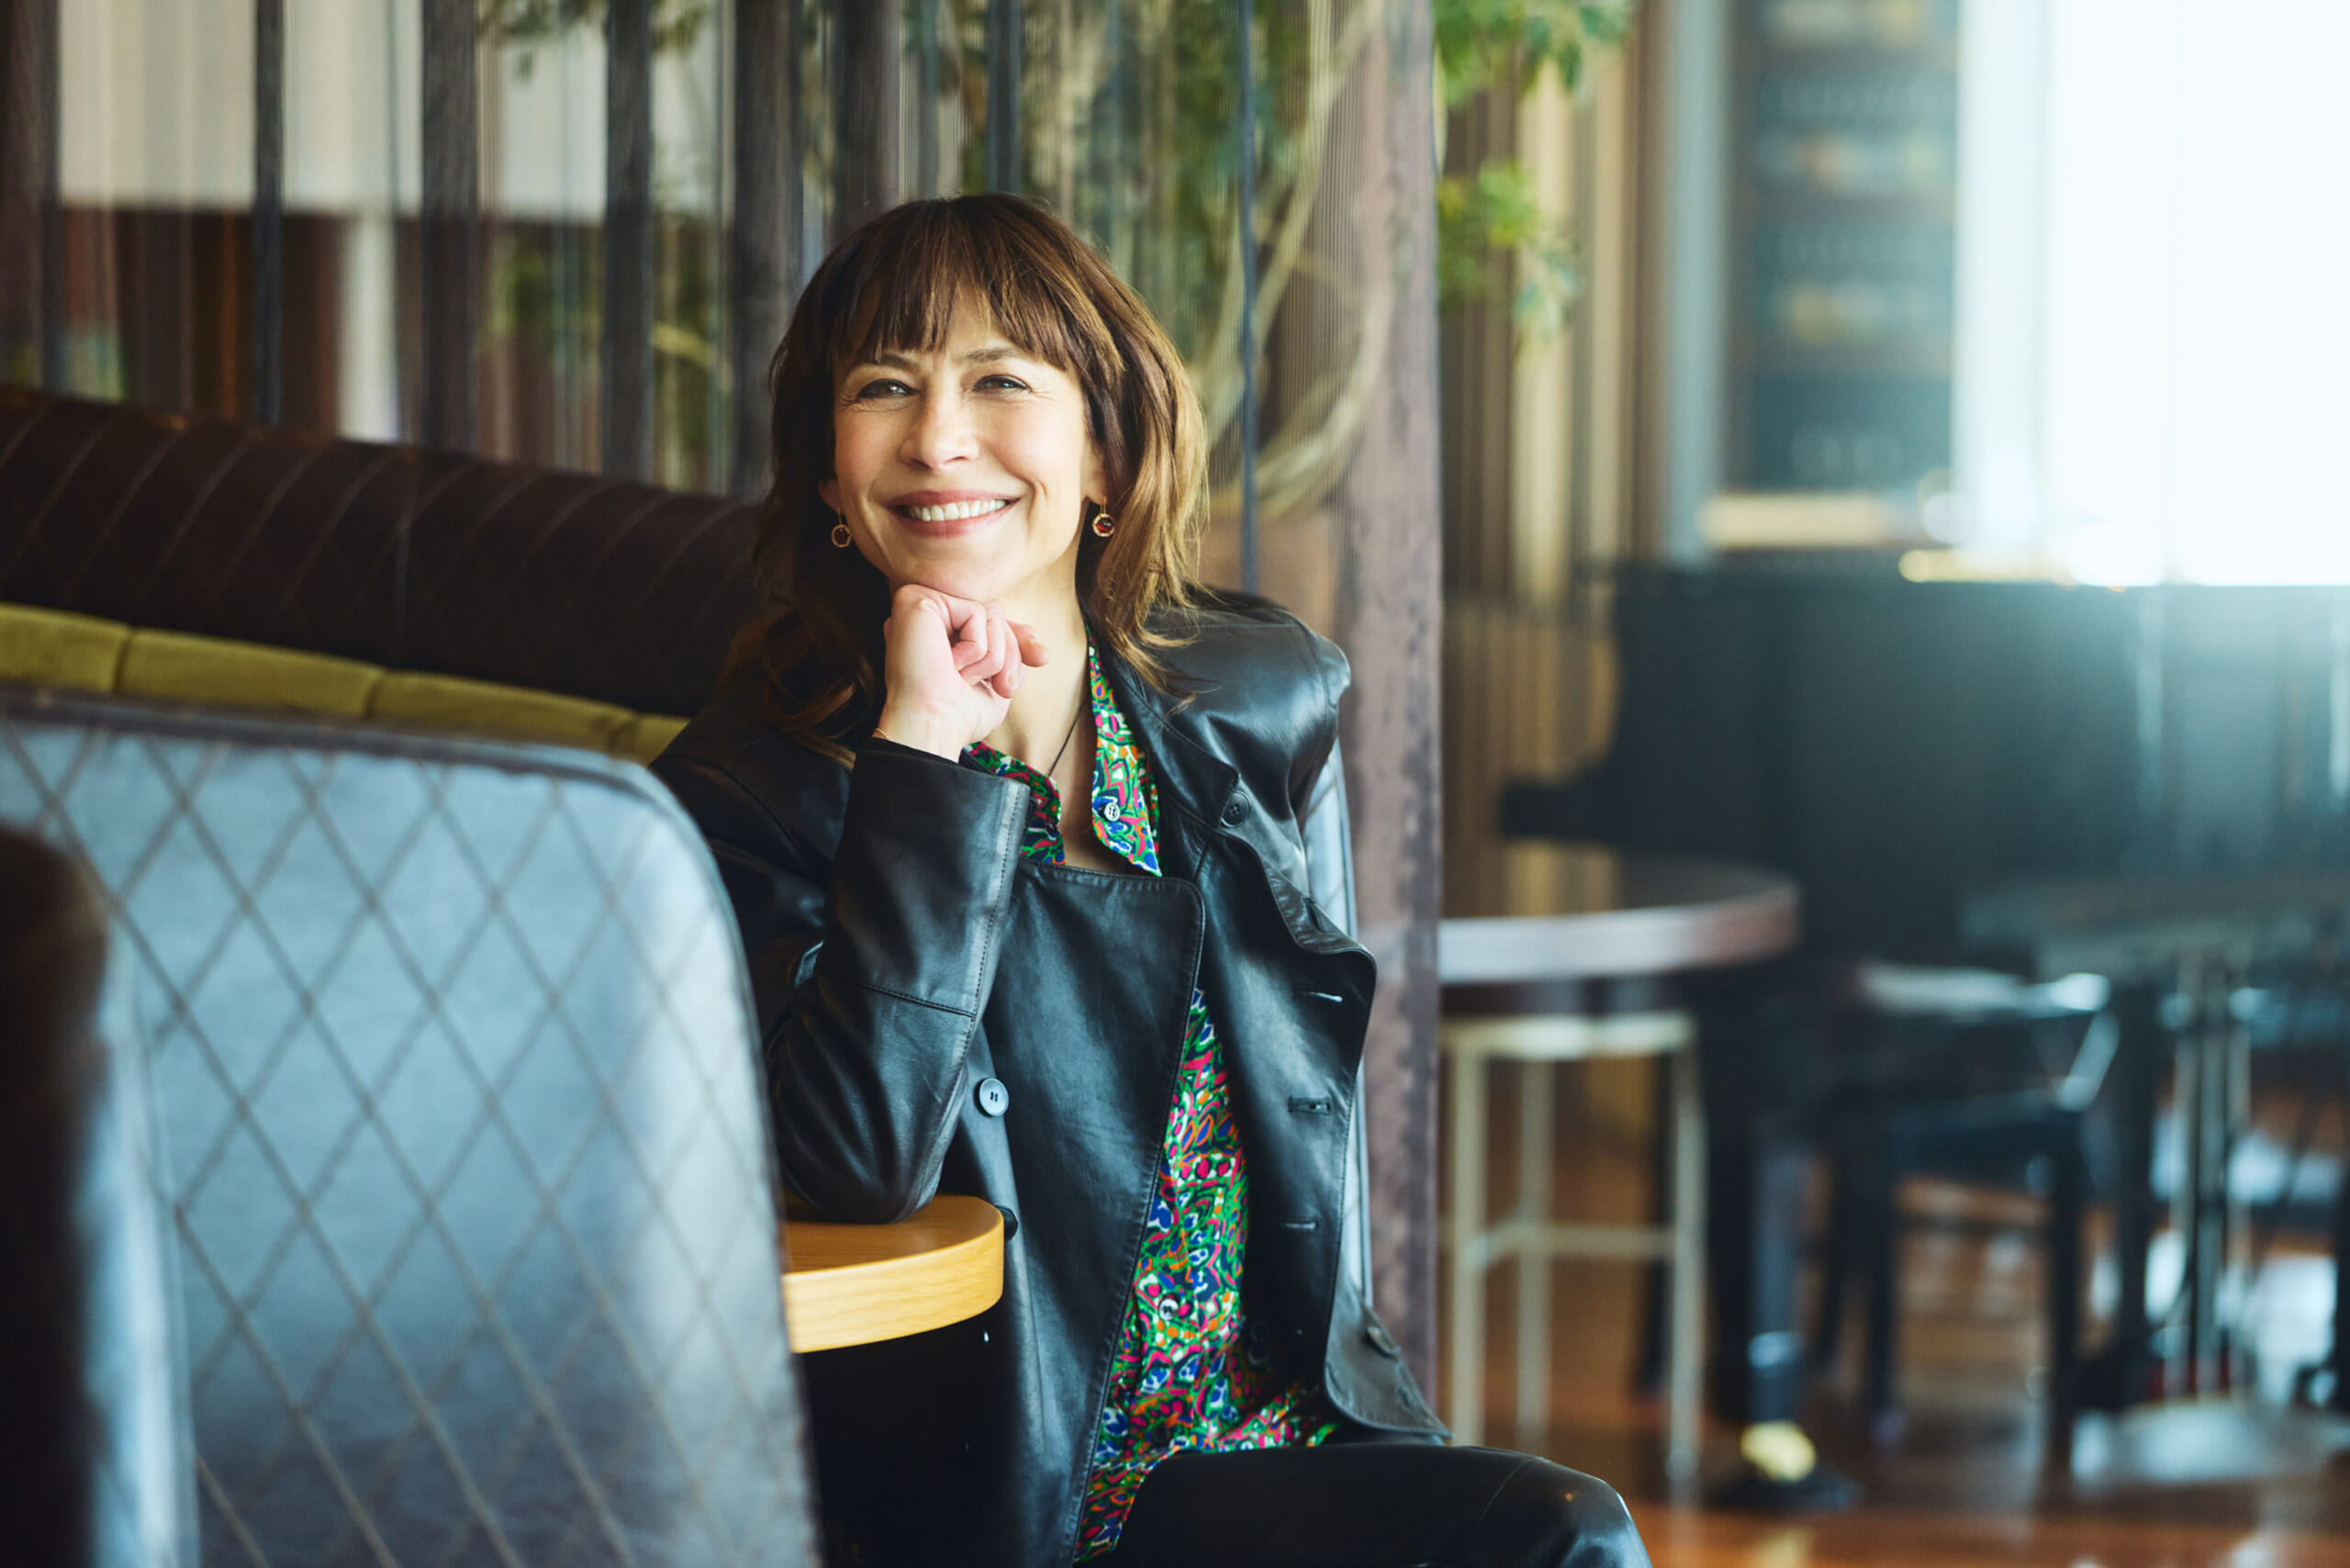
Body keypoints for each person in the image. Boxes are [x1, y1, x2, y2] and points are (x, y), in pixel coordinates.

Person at [654, 193, 1651, 1568]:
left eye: (1001, 380)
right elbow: (850, 1169)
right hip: (1005, 1499)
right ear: (830, 476)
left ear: (1106, 449)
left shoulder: (1248, 704)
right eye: (886, 386)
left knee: (1564, 1539)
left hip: (1259, 1453)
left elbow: (1312, 1126)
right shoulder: (753, 784)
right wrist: (921, 758)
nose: (939, 438)